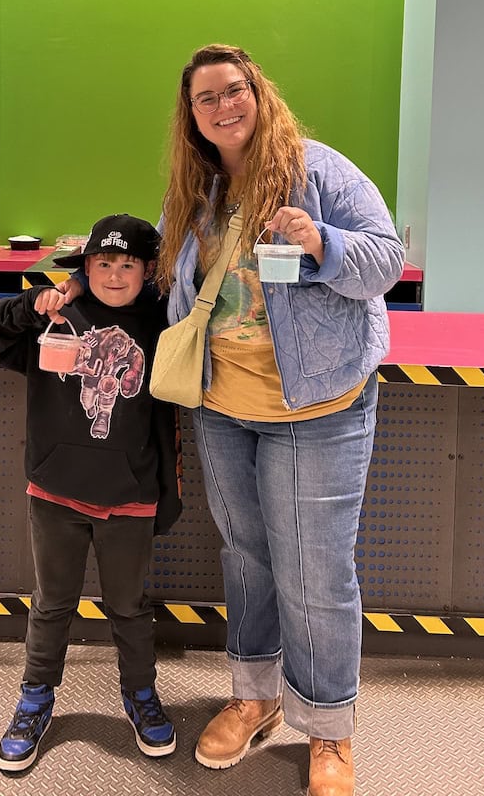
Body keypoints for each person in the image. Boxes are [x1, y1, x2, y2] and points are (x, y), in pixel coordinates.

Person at [156, 44, 404, 796]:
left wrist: (322, 241)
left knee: (317, 573)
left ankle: (329, 729)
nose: (223, 106)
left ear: (257, 94)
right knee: (247, 556)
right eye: (207, 99)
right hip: (225, 408)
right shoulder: (194, 189)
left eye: (235, 90)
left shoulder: (319, 171)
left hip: (317, 407)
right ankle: (255, 696)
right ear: (192, 117)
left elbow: (386, 261)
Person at [0, 214, 182, 774]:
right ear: (86, 269)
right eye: (104, 263)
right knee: (52, 603)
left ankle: (140, 694)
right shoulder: (56, 319)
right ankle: (35, 698)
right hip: (55, 492)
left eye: (129, 264)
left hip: (130, 496)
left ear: (148, 271)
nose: (116, 274)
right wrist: (28, 305)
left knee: (129, 608)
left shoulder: (163, 326)